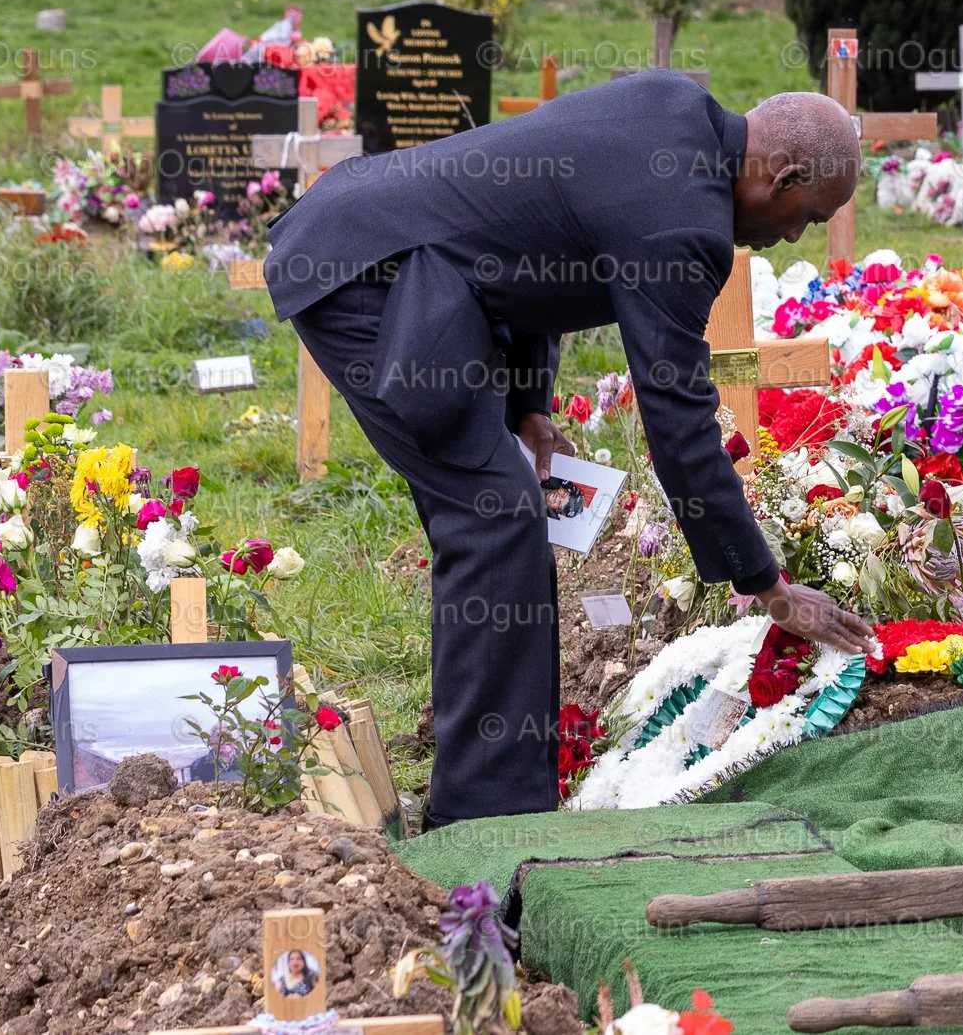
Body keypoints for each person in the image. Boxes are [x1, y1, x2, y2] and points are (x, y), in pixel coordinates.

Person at [264, 73, 875, 825]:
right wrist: (768, 586)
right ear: (779, 175)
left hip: (414, 258)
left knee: (504, 509)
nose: (792, 236)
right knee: (493, 518)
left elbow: (532, 239)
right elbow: (678, 419)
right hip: (365, 271)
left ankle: (492, 798)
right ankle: (483, 822)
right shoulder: (684, 223)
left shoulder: (672, 106)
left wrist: (527, 407)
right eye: (803, 217)